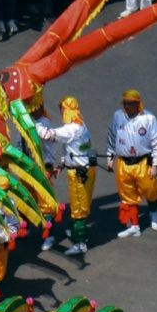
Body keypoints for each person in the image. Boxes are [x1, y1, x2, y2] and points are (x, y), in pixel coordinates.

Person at [105, 89, 157, 238]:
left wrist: (155, 165)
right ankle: (134, 226)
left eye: (130, 104)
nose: (127, 107)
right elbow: (111, 137)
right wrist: (109, 158)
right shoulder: (118, 116)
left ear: (138, 104)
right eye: (125, 104)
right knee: (127, 195)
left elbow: (156, 141)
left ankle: (153, 212)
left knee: (150, 190)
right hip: (123, 164)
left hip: (142, 163)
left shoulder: (148, 119)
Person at [39, 96, 95, 256]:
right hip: (85, 170)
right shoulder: (81, 125)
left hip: (79, 173)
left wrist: (31, 124)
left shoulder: (71, 129)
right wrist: (61, 166)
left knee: (78, 209)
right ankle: (75, 233)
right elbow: (78, 150)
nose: (60, 110)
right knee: (78, 205)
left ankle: (80, 243)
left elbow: (47, 135)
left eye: (61, 107)